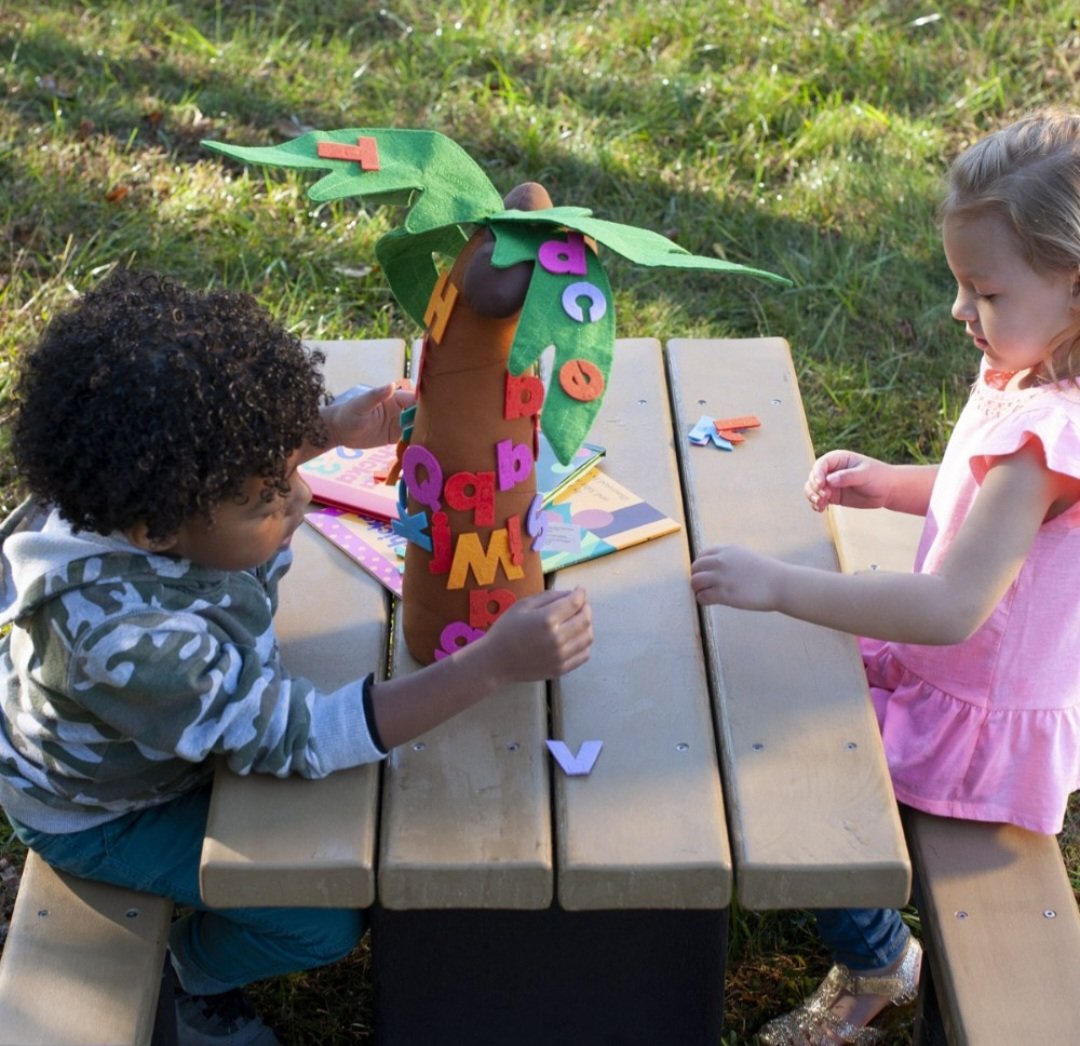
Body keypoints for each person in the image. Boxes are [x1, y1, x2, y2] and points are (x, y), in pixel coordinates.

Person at [0, 269, 594, 1046]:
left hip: (175, 719)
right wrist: (489, 664)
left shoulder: (142, 491)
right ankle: (194, 980)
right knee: (320, 923)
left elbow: (219, 470)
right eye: (268, 500)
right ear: (153, 530)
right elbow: (305, 738)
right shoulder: (133, 645)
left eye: (287, 469)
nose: (302, 500)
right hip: (108, 810)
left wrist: (323, 428)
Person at [691, 106, 1080, 1045]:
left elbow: (950, 607)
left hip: (970, 715)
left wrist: (783, 587)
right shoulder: (1030, 371)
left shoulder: (1050, 434)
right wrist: (891, 487)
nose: (960, 311)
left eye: (983, 292)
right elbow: (981, 504)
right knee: (771, 703)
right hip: (943, 676)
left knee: (807, 786)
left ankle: (878, 959)